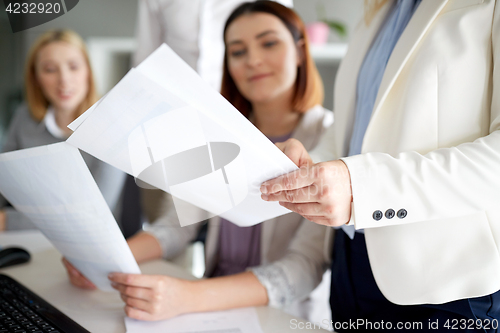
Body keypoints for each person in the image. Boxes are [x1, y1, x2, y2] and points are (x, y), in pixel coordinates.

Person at [64, 1, 334, 322]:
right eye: (237, 51)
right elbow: (178, 224)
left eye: (269, 43)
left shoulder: (329, 135)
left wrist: (187, 296)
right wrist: (107, 261)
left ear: (301, 50)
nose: (253, 60)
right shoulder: (219, 131)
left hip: (282, 317)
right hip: (209, 310)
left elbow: (305, 266)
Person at [260, 0, 500, 331]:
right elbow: (357, 128)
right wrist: (309, 164)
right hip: (351, 264)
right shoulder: (376, 14)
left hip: (444, 280)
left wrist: (361, 186)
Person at [0, 30, 126, 233]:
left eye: (74, 67)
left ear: (88, 72)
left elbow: (93, 214)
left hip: (92, 243)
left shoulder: (111, 126)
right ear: (36, 78)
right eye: (50, 69)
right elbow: (4, 184)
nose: (64, 80)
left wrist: (8, 221)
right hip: (27, 240)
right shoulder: (24, 117)